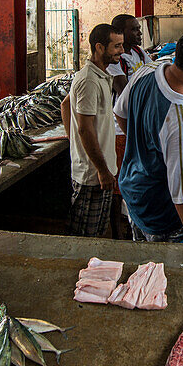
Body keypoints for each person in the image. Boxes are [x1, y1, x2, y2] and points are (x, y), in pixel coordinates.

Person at [115, 28, 183, 243]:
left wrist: (141, 145)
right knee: (164, 270)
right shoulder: (182, 116)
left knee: (142, 263)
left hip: (134, 190)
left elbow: (120, 112)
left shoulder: (147, 70)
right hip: (160, 211)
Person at [67, 24, 124, 238]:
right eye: (116, 46)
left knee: (98, 230)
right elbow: (84, 128)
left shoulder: (100, 75)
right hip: (92, 174)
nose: (121, 51)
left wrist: (75, 140)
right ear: (99, 47)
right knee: (85, 234)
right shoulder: (89, 80)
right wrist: (101, 169)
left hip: (101, 168)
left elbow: (66, 105)